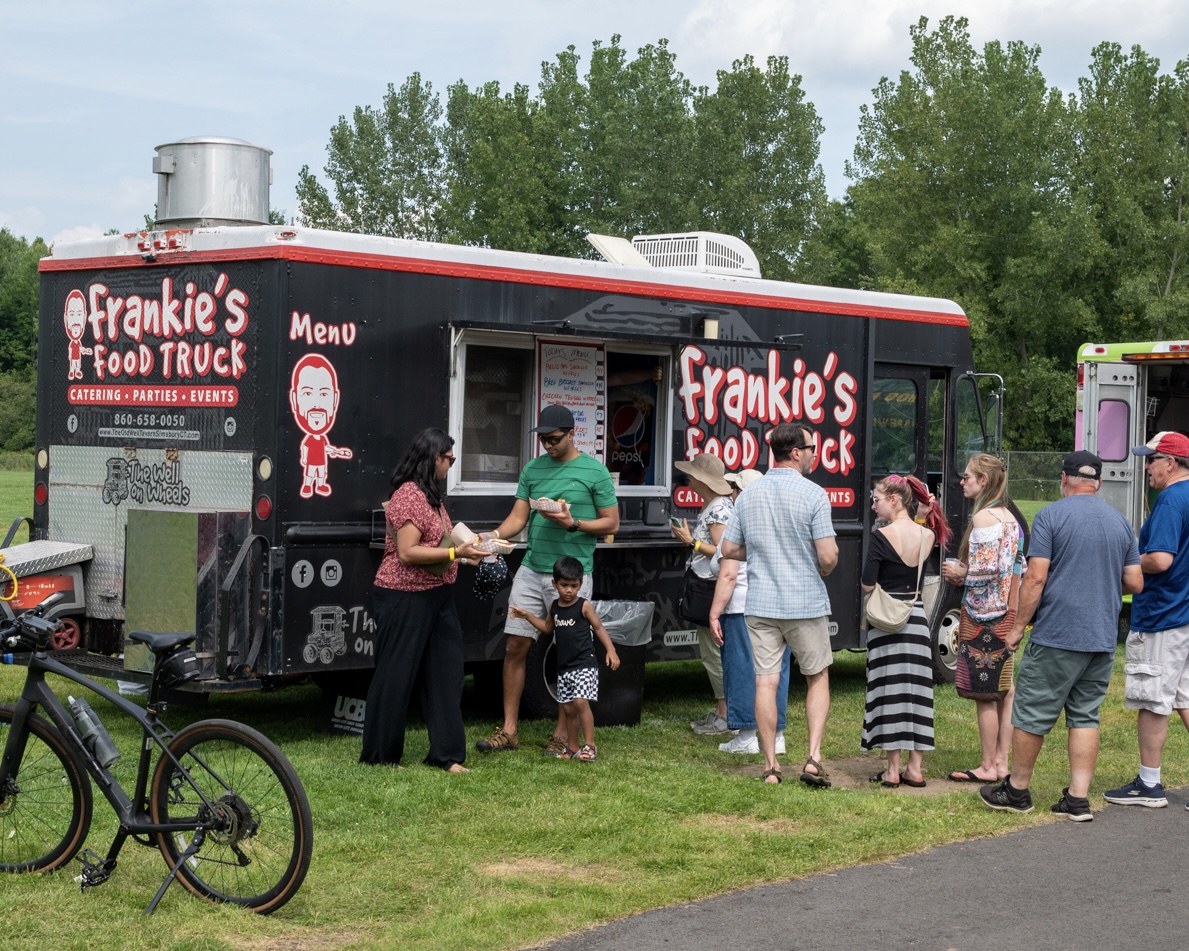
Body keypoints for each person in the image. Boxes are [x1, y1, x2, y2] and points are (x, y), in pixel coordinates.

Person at [975, 451, 1142, 818]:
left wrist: (1018, 627)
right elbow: (1135, 581)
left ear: (1063, 479)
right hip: (1100, 636)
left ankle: (1017, 791)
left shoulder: (1051, 516)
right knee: (1085, 716)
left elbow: (1035, 577)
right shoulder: (1120, 522)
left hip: (1058, 634)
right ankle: (1078, 798)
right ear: (1097, 482)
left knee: (1032, 713)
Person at [476, 405, 620, 755]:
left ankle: (560, 733)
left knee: (566, 651)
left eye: (554, 439)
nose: (548, 446)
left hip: (571, 575)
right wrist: (491, 536)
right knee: (514, 645)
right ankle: (509, 730)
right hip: (532, 566)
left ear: (572, 434)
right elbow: (517, 518)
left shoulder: (595, 471)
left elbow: (611, 524)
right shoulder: (533, 469)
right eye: (543, 439)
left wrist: (574, 524)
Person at [720, 422, 839, 786]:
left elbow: (728, 549)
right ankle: (813, 758)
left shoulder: (749, 495)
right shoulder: (815, 494)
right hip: (804, 601)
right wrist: (822, 563)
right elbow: (829, 556)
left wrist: (760, 549)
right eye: (812, 448)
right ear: (796, 453)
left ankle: (771, 766)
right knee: (816, 676)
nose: (816, 454)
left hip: (761, 604)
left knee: (765, 682)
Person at [360, 428, 484, 772]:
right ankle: (381, 757)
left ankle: (447, 756)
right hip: (403, 596)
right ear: (433, 458)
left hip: (438, 595)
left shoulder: (432, 496)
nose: (451, 465)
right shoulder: (409, 496)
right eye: (449, 459)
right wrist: (455, 550)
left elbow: (439, 546)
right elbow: (407, 552)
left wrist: (464, 555)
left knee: (446, 674)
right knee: (395, 674)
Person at [1104, 432, 1189, 808]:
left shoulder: (1171, 499)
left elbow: (1162, 559)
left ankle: (1149, 784)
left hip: (1162, 613)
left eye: (1151, 459)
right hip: (1183, 611)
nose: (1146, 466)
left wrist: (1124, 565)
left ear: (1170, 462)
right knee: (1184, 699)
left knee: (1153, 701)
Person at [861, 474, 951, 788]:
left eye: (877, 499)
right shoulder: (926, 537)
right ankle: (915, 769)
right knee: (916, 694)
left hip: (886, 622)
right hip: (915, 620)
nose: (874, 506)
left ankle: (891, 770)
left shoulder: (881, 536)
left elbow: (867, 583)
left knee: (889, 693)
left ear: (895, 500)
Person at [941, 452, 1025, 785]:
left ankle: (988, 765)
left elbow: (987, 570)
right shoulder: (1010, 518)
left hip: (982, 617)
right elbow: (1017, 568)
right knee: (1005, 690)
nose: (962, 481)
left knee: (984, 693)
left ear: (984, 481)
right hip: (1008, 613)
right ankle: (1002, 762)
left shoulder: (985, 519)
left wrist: (961, 573)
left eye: (967, 477)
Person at [709, 469, 792, 755]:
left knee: (744, 670)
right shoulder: (778, 521)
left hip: (743, 608)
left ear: (741, 493)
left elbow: (729, 574)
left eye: (734, 488)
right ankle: (777, 736)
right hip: (779, 605)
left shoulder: (738, 521)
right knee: (777, 671)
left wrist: (714, 613)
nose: (730, 492)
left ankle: (746, 736)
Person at [508, 556, 621, 760]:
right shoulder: (554, 607)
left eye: (574, 585)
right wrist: (527, 616)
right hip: (565, 667)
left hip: (584, 664)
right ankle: (572, 747)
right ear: (554, 584)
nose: (569, 590)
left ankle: (590, 745)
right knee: (568, 708)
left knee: (580, 702)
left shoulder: (584, 606)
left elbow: (598, 627)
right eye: (564, 585)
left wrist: (610, 650)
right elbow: (546, 628)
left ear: (581, 584)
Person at [671, 452, 736, 735]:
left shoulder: (718, 508)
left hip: (711, 589)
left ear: (701, 479)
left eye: (692, 474)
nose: (687, 478)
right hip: (710, 586)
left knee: (714, 654)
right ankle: (721, 711)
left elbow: (726, 553)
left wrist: (692, 543)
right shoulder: (715, 504)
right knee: (712, 654)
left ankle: (726, 716)